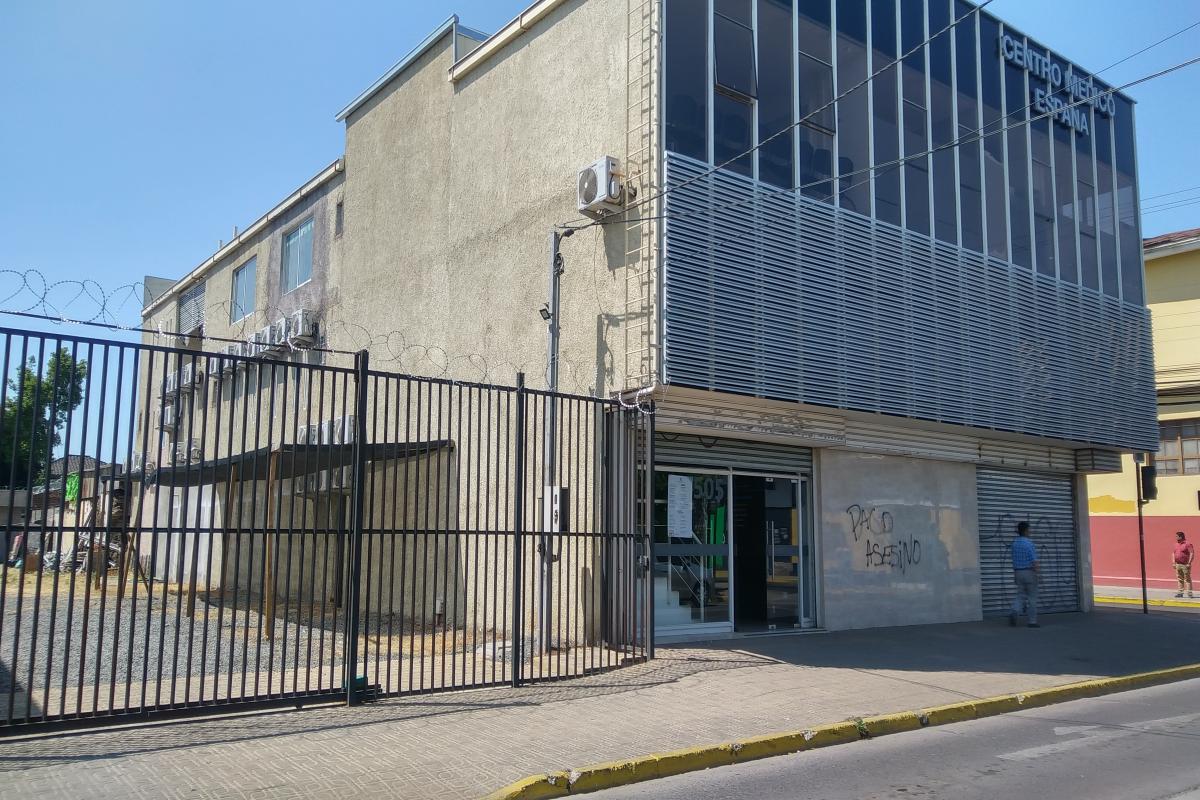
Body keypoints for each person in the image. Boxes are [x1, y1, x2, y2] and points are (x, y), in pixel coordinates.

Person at [1009, 521, 1040, 628]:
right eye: (1029, 529)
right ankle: (1032, 622)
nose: (1030, 531)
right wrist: (1038, 574)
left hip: (1018, 572)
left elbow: (1013, 560)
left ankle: (1014, 610)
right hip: (1029, 572)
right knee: (1032, 597)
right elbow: (1034, 561)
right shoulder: (1029, 543)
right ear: (1026, 530)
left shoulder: (1014, 544)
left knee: (1020, 594)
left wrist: (1015, 574)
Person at [1174, 531, 1194, 599]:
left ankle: (1189, 593)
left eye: (1177, 536)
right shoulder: (1176, 544)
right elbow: (1174, 553)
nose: (1176, 537)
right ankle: (1180, 593)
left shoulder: (1187, 544)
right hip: (1178, 564)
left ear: (1181, 537)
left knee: (1187, 579)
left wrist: (1189, 563)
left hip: (1185, 564)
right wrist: (1173, 562)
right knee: (1180, 579)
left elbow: (1191, 553)